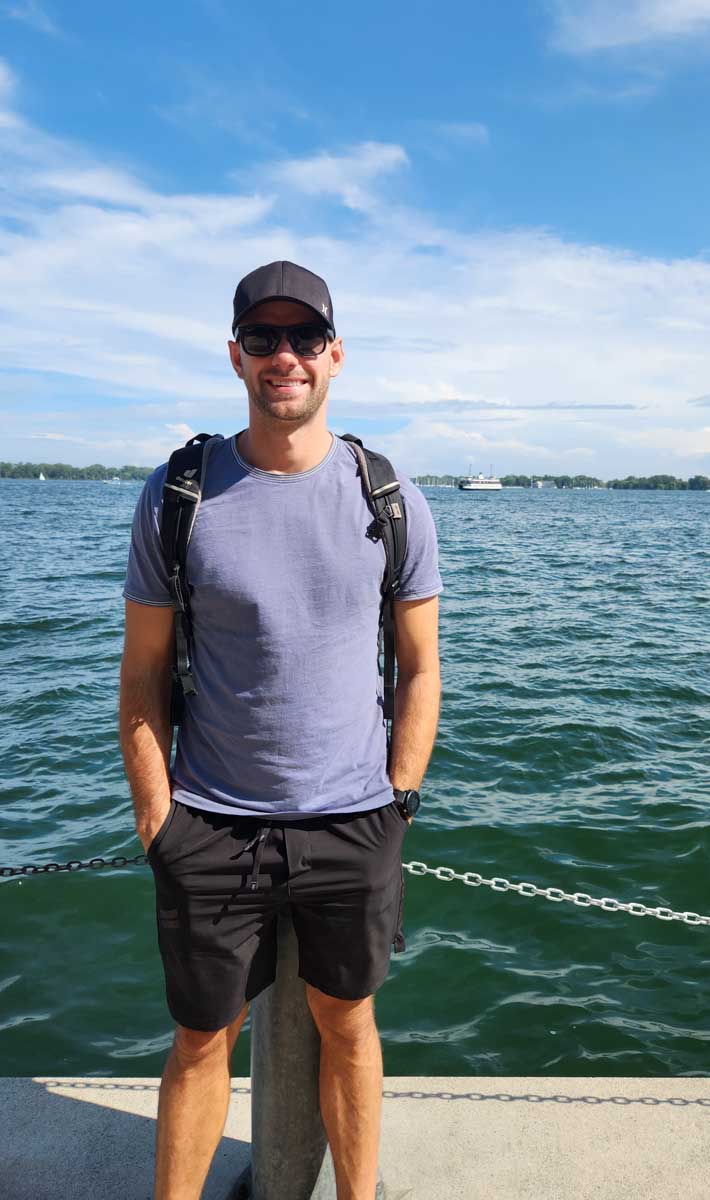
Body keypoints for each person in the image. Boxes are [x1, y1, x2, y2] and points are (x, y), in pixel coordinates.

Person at [118, 260, 442, 1200]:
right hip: (210, 820)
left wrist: (399, 802)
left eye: (304, 338)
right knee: (200, 1037)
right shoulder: (179, 494)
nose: (284, 356)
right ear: (235, 356)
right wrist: (158, 816)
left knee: (348, 1022)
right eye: (264, 338)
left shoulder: (390, 498)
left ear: (336, 355)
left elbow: (421, 667)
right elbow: (141, 674)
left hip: (354, 817)